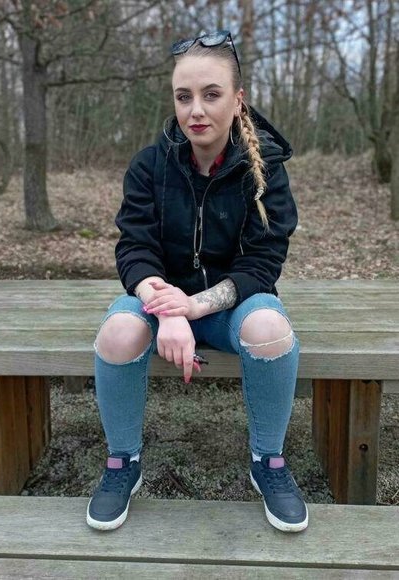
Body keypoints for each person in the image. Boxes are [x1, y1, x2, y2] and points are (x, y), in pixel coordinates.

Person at [86, 30, 308, 533]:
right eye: (183, 96)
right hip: (159, 302)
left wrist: (194, 307)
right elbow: (134, 249)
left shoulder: (266, 170)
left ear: (238, 99)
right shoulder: (149, 166)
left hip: (230, 307)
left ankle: (268, 461)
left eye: (211, 94)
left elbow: (262, 263)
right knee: (118, 331)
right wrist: (166, 309)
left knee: (270, 328)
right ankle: (122, 462)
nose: (196, 110)